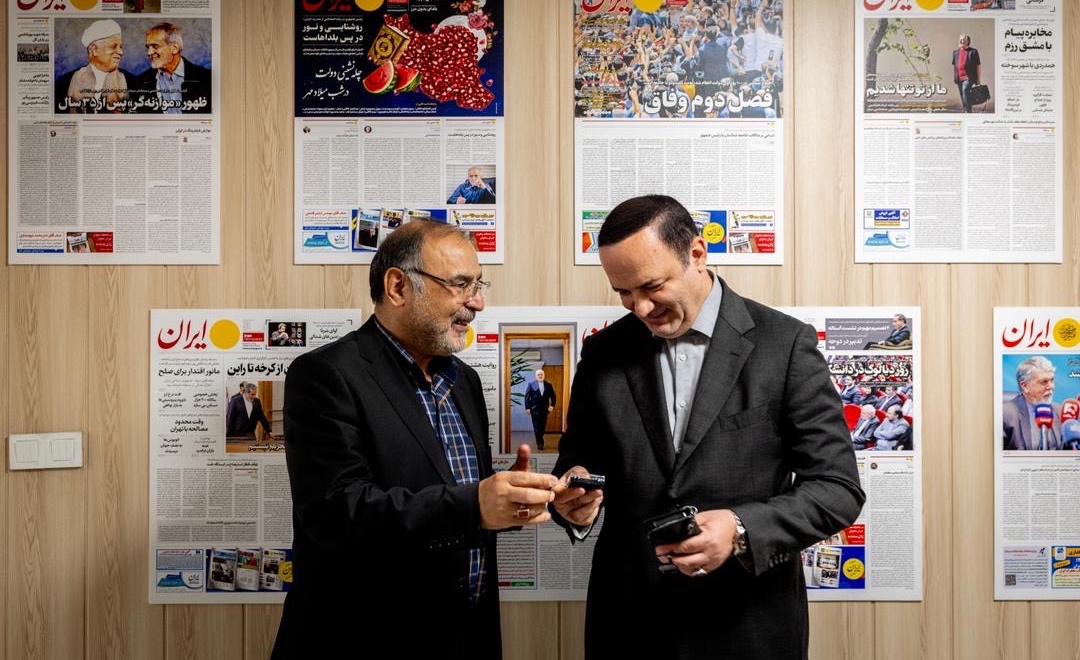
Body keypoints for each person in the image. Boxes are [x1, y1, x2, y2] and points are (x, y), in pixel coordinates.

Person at [551, 195, 865, 659]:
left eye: (651, 286)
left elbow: (837, 489)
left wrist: (740, 528)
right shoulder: (603, 353)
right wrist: (574, 501)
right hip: (629, 624)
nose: (640, 308)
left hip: (749, 627)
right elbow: (579, 462)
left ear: (697, 254)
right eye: (623, 293)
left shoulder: (784, 345)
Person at [272, 219, 557, 660]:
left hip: (466, 638)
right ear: (398, 287)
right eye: (461, 284)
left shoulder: (465, 381)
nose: (477, 302)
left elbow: (455, 497)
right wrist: (475, 504)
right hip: (367, 642)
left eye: (479, 285)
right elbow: (338, 513)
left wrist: (517, 499)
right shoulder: (325, 375)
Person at [56, 19, 133, 113]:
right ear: (94, 50)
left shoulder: (131, 82)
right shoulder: (65, 82)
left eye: (120, 47)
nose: (121, 52)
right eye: (113, 46)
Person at [134, 22, 212, 113]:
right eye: (148, 47)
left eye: (155, 46)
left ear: (174, 48)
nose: (149, 53)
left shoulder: (207, 79)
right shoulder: (140, 83)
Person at [1003, 355, 1061, 451]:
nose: (1052, 387)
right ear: (1025, 386)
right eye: (1044, 382)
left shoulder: (1059, 411)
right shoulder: (1005, 415)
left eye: (1052, 380)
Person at [524, 368, 557, 451]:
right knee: (536, 428)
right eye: (538, 375)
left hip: (545, 410)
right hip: (534, 409)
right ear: (536, 376)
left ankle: (540, 436)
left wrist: (552, 405)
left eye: (541, 374)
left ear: (544, 375)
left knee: (542, 427)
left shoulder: (548, 385)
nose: (540, 376)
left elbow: (553, 396)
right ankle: (540, 444)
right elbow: (527, 397)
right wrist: (527, 407)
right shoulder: (531, 384)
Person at [952, 34, 982, 113]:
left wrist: (978, 79)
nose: (962, 41)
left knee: (965, 90)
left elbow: (978, 66)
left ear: (968, 41)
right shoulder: (955, 52)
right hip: (959, 78)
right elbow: (955, 66)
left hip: (968, 77)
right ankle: (966, 109)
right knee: (963, 95)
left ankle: (968, 111)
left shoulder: (973, 52)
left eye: (964, 40)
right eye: (960, 39)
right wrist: (955, 77)